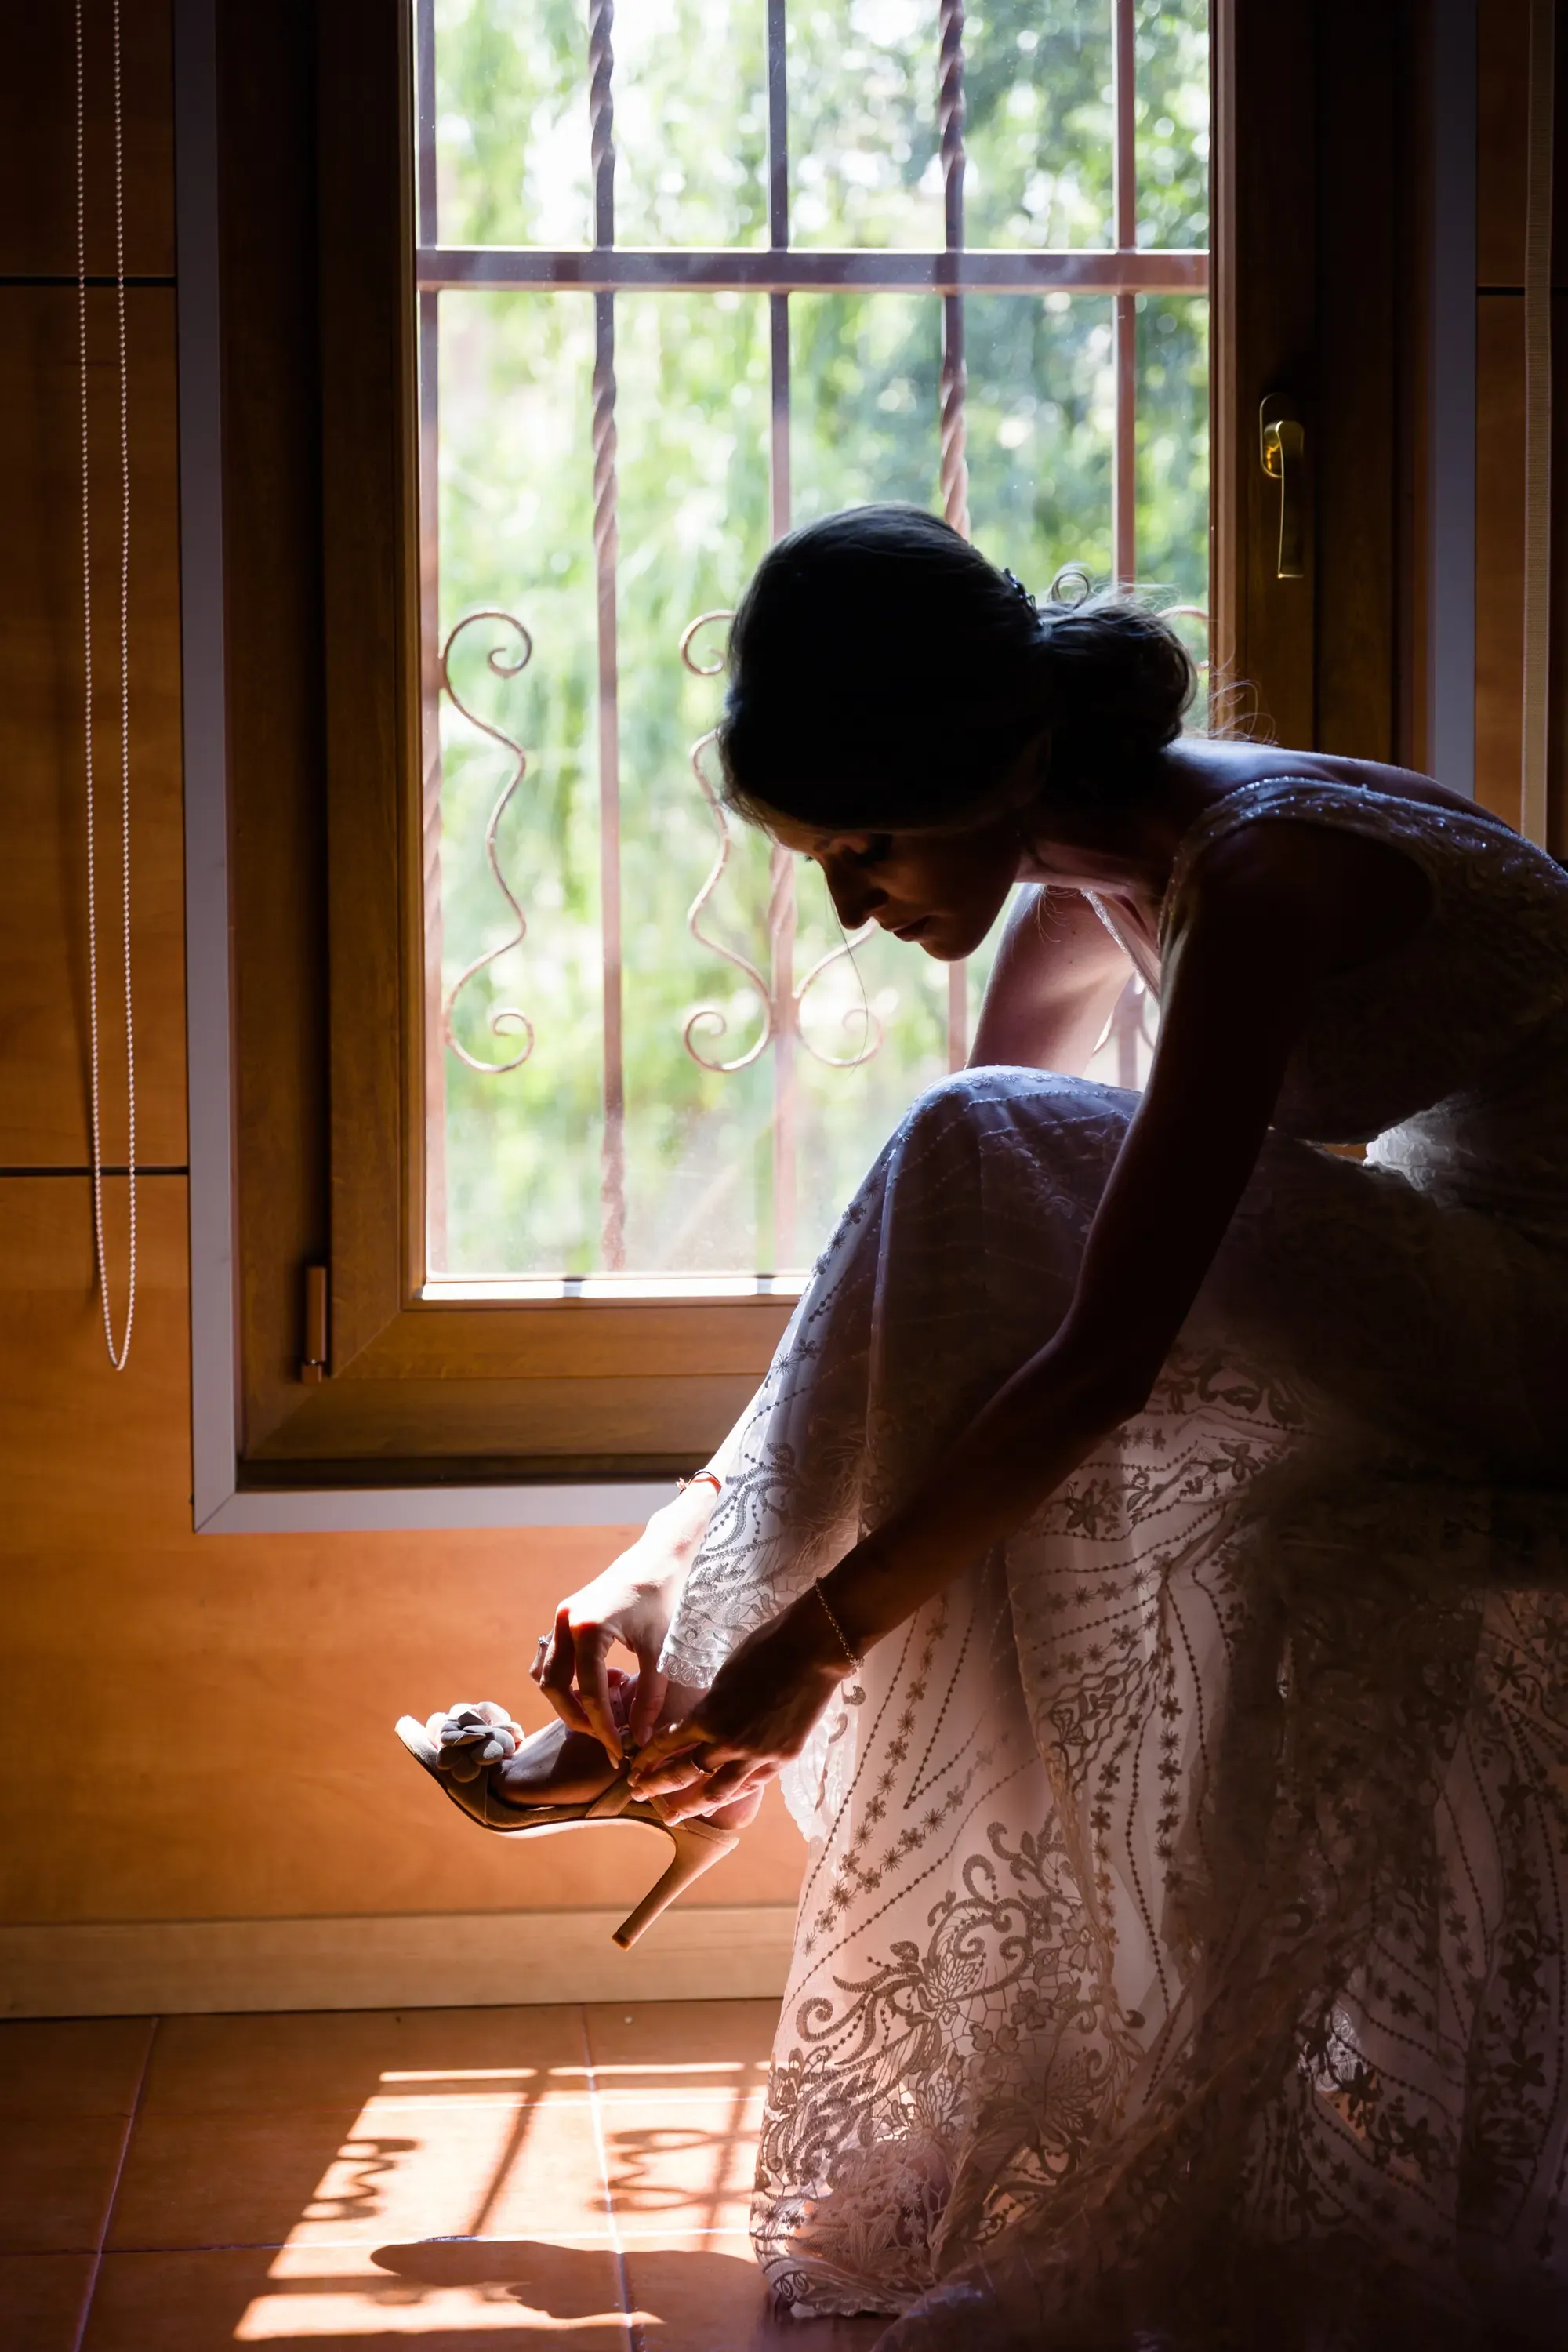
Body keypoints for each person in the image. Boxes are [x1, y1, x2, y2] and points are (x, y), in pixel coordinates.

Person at [422, 506, 1568, 2347]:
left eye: (863, 847)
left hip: (1544, 1324)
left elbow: (1101, 1349)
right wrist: (664, 1553)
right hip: (1463, 1288)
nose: (850, 907)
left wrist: (808, 1649)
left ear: (1000, 765)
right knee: (966, 1178)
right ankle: (685, 1681)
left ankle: (688, 1723)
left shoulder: (1260, 878)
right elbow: (920, 1283)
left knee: (976, 1150)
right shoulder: (1092, 872)